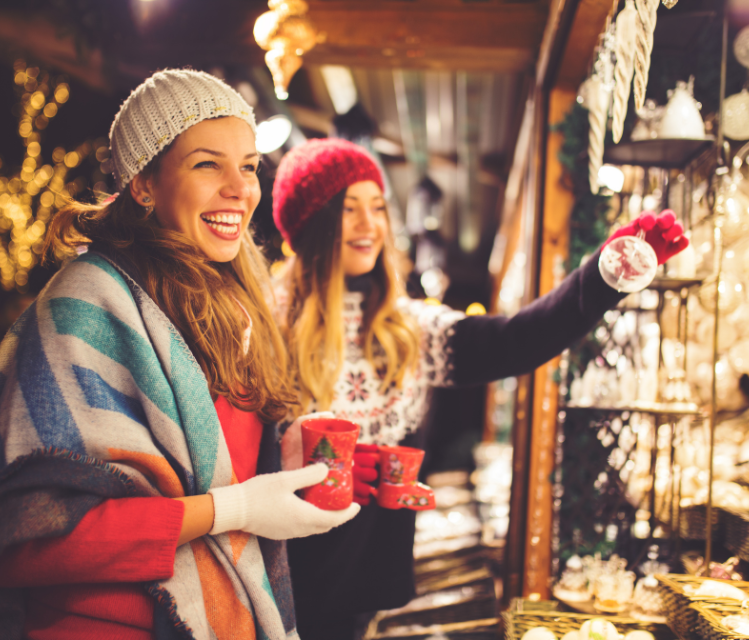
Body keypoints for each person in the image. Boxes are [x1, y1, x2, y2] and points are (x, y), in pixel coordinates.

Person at [0, 69, 358, 640]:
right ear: (144, 184)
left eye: (247, 166)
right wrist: (235, 510)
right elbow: (24, 543)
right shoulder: (85, 307)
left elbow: (219, 469)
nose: (240, 189)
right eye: (206, 164)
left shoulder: (235, 307)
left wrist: (291, 457)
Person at [270, 138, 689, 639]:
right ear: (308, 225)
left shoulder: (409, 329)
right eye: (347, 209)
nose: (369, 225)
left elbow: (514, 341)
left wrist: (603, 276)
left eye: (378, 208)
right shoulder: (267, 327)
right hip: (278, 579)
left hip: (367, 588)